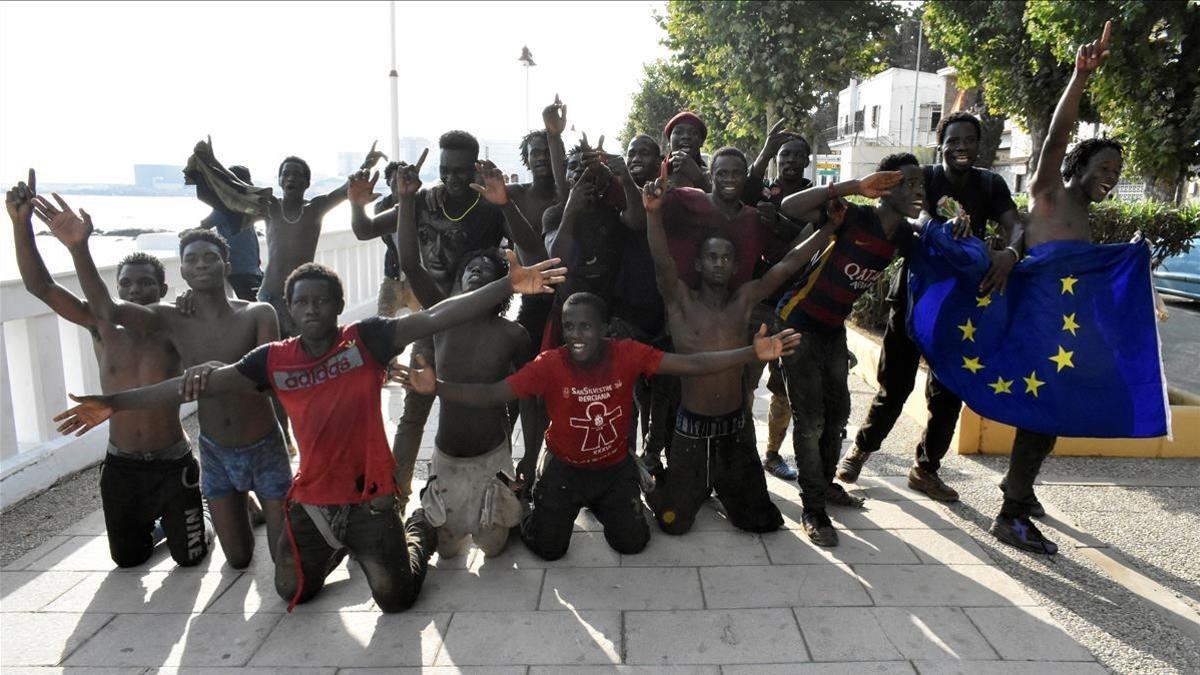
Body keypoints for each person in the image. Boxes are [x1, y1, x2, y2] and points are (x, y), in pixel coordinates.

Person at [53, 251, 567, 611]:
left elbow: (435, 316)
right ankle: (337, 551)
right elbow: (192, 388)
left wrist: (508, 285)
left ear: (338, 306)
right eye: (301, 302)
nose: (312, 309)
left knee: (397, 599)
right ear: (290, 309)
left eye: (322, 300)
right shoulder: (272, 360)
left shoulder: (366, 340)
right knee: (290, 591)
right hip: (315, 504)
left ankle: (416, 534)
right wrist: (112, 405)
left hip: (370, 502)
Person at [394, 291, 802, 560]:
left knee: (633, 544)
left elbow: (692, 364)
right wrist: (438, 388)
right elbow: (495, 392)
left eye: (585, 326)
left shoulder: (627, 354)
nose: (575, 335)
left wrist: (751, 353)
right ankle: (537, 504)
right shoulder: (550, 364)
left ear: (604, 329)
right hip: (565, 469)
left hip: (612, 468)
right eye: (569, 326)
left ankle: (623, 498)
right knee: (550, 550)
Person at [49, 207, 287, 570]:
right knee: (238, 559)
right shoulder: (171, 319)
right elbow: (108, 310)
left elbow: (269, 381)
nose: (202, 264)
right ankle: (221, 510)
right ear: (183, 271)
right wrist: (79, 248)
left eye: (211, 257)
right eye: (191, 259)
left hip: (264, 447)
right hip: (217, 454)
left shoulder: (259, 313)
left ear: (227, 263)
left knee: (287, 565)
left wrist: (220, 370)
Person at [9, 172, 208, 569]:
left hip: (173, 461)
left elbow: (222, 312)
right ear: (117, 289)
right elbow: (40, 287)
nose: (136, 291)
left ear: (162, 289)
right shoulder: (98, 325)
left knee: (192, 558)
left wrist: (196, 296)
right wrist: (21, 225)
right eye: (127, 285)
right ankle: (159, 525)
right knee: (128, 560)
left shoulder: (173, 325)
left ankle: (194, 514)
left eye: (146, 284)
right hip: (122, 464)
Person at [642, 157, 842, 535]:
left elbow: (789, 264)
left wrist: (829, 228)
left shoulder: (745, 299)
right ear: (698, 264)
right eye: (711, 257)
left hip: (735, 427)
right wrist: (652, 214)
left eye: (726, 258)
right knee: (673, 523)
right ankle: (663, 480)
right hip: (690, 428)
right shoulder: (680, 299)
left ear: (736, 266)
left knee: (761, 522)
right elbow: (661, 259)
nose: (718, 263)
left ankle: (720, 483)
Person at [348, 131, 542, 510]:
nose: (451, 178)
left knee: (489, 404)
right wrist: (358, 204)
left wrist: (504, 205)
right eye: (444, 170)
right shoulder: (421, 200)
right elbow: (366, 230)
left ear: (473, 167)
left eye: (459, 170)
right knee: (413, 412)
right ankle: (397, 499)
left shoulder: (486, 208)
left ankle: (500, 489)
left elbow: (533, 250)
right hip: (431, 316)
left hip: (478, 321)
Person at [838, 110, 1023, 504]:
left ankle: (926, 469)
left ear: (979, 145)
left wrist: (1010, 252)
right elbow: (915, 210)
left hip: (960, 309)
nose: (960, 148)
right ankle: (861, 451)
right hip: (913, 300)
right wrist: (935, 226)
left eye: (968, 141)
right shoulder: (925, 175)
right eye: (952, 141)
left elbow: (1016, 225)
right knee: (896, 386)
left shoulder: (990, 183)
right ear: (940, 144)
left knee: (948, 391)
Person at [989, 22, 1120, 555]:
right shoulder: (1049, 194)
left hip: (1061, 334)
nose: (1110, 176)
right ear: (1079, 167)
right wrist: (1080, 78)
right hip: (1037, 330)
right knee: (1040, 418)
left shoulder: (1088, 218)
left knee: (1049, 420)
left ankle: (1017, 491)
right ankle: (1012, 513)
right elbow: (1059, 135)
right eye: (1104, 167)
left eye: (1117, 171)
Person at [394, 154, 540, 557]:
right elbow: (410, 262)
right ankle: (418, 513)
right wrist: (406, 201)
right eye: (469, 268)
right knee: (446, 550)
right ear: (457, 283)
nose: (477, 270)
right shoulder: (441, 319)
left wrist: (529, 453)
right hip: (447, 459)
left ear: (503, 288)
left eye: (487, 269)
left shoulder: (514, 335)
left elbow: (527, 399)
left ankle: (511, 503)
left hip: (492, 459)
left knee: (493, 547)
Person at [775, 156, 919, 547]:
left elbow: (935, 252)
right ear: (886, 186)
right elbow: (790, 207)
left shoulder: (903, 235)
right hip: (797, 322)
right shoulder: (853, 216)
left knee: (838, 414)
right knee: (812, 419)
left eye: (920, 184)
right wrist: (853, 185)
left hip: (832, 329)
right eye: (907, 183)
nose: (917, 191)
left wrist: (953, 228)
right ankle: (813, 508)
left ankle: (824, 487)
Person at [744, 124, 816, 481]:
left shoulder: (815, 195)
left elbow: (813, 239)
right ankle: (740, 448)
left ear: (806, 160)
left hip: (796, 302)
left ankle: (772, 454)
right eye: (784, 154)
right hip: (758, 299)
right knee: (746, 378)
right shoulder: (762, 191)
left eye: (795, 154)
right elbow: (742, 188)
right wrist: (766, 150)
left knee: (783, 386)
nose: (789, 160)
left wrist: (781, 224)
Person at [259, 142, 385, 336]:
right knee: (268, 356)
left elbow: (347, 189)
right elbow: (235, 195)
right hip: (269, 296)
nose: (290, 177)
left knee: (301, 352)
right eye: (286, 173)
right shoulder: (270, 207)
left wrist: (366, 164)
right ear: (280, 180)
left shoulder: (315, 208)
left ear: (307, 183)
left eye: (297, 174)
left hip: (299, 297)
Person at [196, 164, 263, 301]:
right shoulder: (227, 208)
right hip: (240, 269)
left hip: (250, 268)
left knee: (255, 304)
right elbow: (205, 225)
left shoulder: (241, 207)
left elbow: (204, 226)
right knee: (254, 304)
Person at [663, 112, 712, 192]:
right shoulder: (657, 174)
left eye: (693, 133)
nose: (686, 137)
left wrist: (698, 178)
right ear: (669, 141)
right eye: (678, 132)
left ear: (701, 142)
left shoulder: (712, 177)